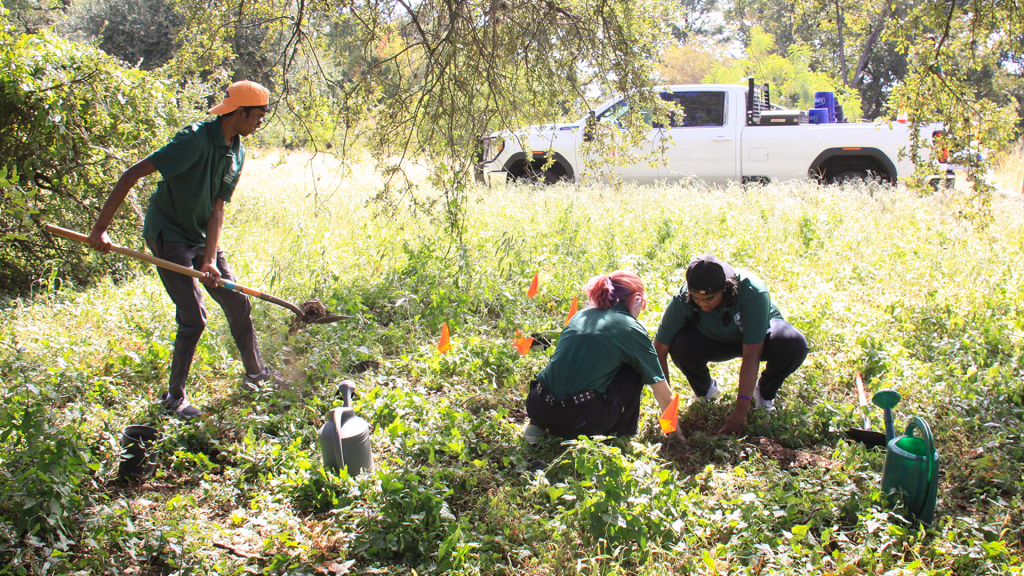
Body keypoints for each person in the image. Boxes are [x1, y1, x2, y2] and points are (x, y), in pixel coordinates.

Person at [88, 80, 279, 419]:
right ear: (240, 112)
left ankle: (256, 375)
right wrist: (100, 229)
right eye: (259, 115)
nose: (261, 122)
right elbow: (132, 174)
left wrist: (210, 260)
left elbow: (218, 207)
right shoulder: (193, 140)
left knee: (237, 301)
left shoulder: (237, 149)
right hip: (170, 232)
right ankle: (173, 397)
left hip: (201, 233)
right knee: (194, 316)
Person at [653, 255, 808, 435]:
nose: (703, 305)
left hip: (757, 339)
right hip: (714, 340)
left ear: (725, 289)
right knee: (679, 344)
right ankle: (705, 390)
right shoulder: (682, 299)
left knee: (793, 345)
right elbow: (659, 350)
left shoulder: (752, 291)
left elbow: (752, 355)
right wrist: (668, 411)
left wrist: (741, 412)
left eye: (710, 298)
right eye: (696, 299)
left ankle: (764, 392)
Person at [524, 271, 680, 441]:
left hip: (537, 407)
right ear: (636, 298)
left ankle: (537, 427)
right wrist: (674, 433)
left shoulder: (580, 315)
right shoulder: (630, 328)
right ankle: (621, 435)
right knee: (634, 367)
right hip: (580, 421)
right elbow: (662, 393)